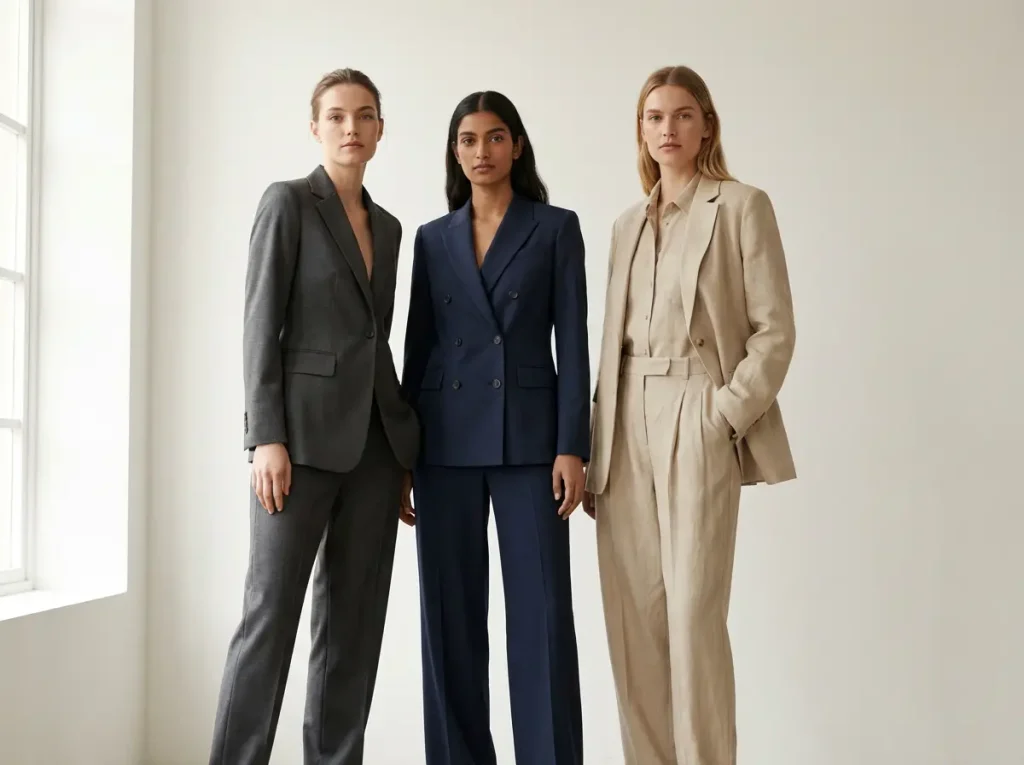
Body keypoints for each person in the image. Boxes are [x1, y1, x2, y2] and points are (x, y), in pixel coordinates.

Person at [583, 65, 797, 765]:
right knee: (633, 624)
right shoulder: (625, 225)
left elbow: (775, 330)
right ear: (640, 131)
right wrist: (595, 444)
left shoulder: (740, 206)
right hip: (624, 425)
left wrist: (724, 414)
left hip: (696, 412)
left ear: (706, 123)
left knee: (693, 619)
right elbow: (609, 343)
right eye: (653, 117)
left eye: (680, 115)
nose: (666, 130)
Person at [208, 68, 419, 765]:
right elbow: (260, 320)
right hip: (294, 446)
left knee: (352, 629)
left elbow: (373, 343)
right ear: (315, 128)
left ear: (381, 130)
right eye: (336, 116)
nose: (351, 128)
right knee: (269, 619)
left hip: (373, 451)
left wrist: (404, 452)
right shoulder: (288, 204)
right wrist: (264, 435)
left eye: (364, 116)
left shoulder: (388, 229)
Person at [401, 90, 589, 765]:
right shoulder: (432, 238)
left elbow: (575, 342)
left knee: (541, 617)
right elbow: (416, 348)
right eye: (468, 139)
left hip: (530, 444)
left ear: (516, 146)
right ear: (455, 151)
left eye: (495, 137)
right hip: (443, 443)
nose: (482, 151)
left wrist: (573, 444)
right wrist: (402, 457)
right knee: (449, 619)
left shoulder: (555, 227)